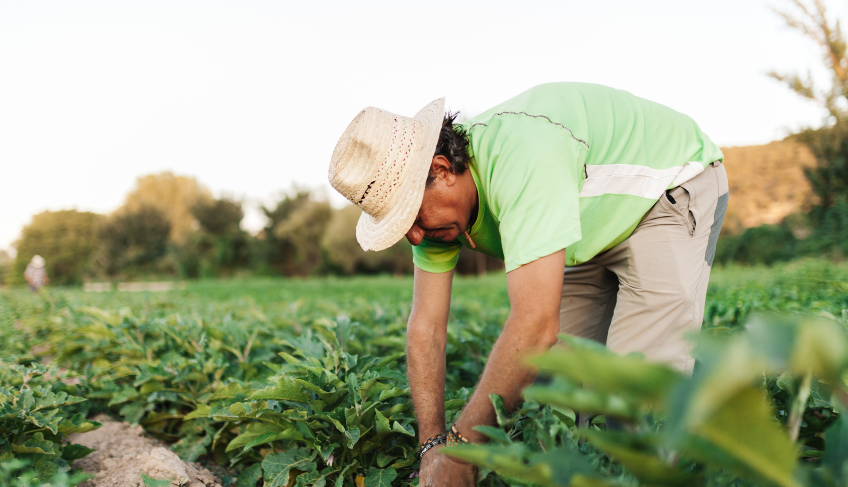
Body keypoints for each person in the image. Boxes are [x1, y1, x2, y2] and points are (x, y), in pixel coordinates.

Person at [328, 82, 728, 487]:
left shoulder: (522, 159)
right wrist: (433, 444)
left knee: (632, 398)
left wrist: (463, 448)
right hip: (585, 224)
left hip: (667, 189)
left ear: (441, 171)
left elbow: (535, 326)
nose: (413, 237)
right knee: (553, 393)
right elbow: (426, 329)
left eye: (410, 218)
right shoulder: (436, 220)